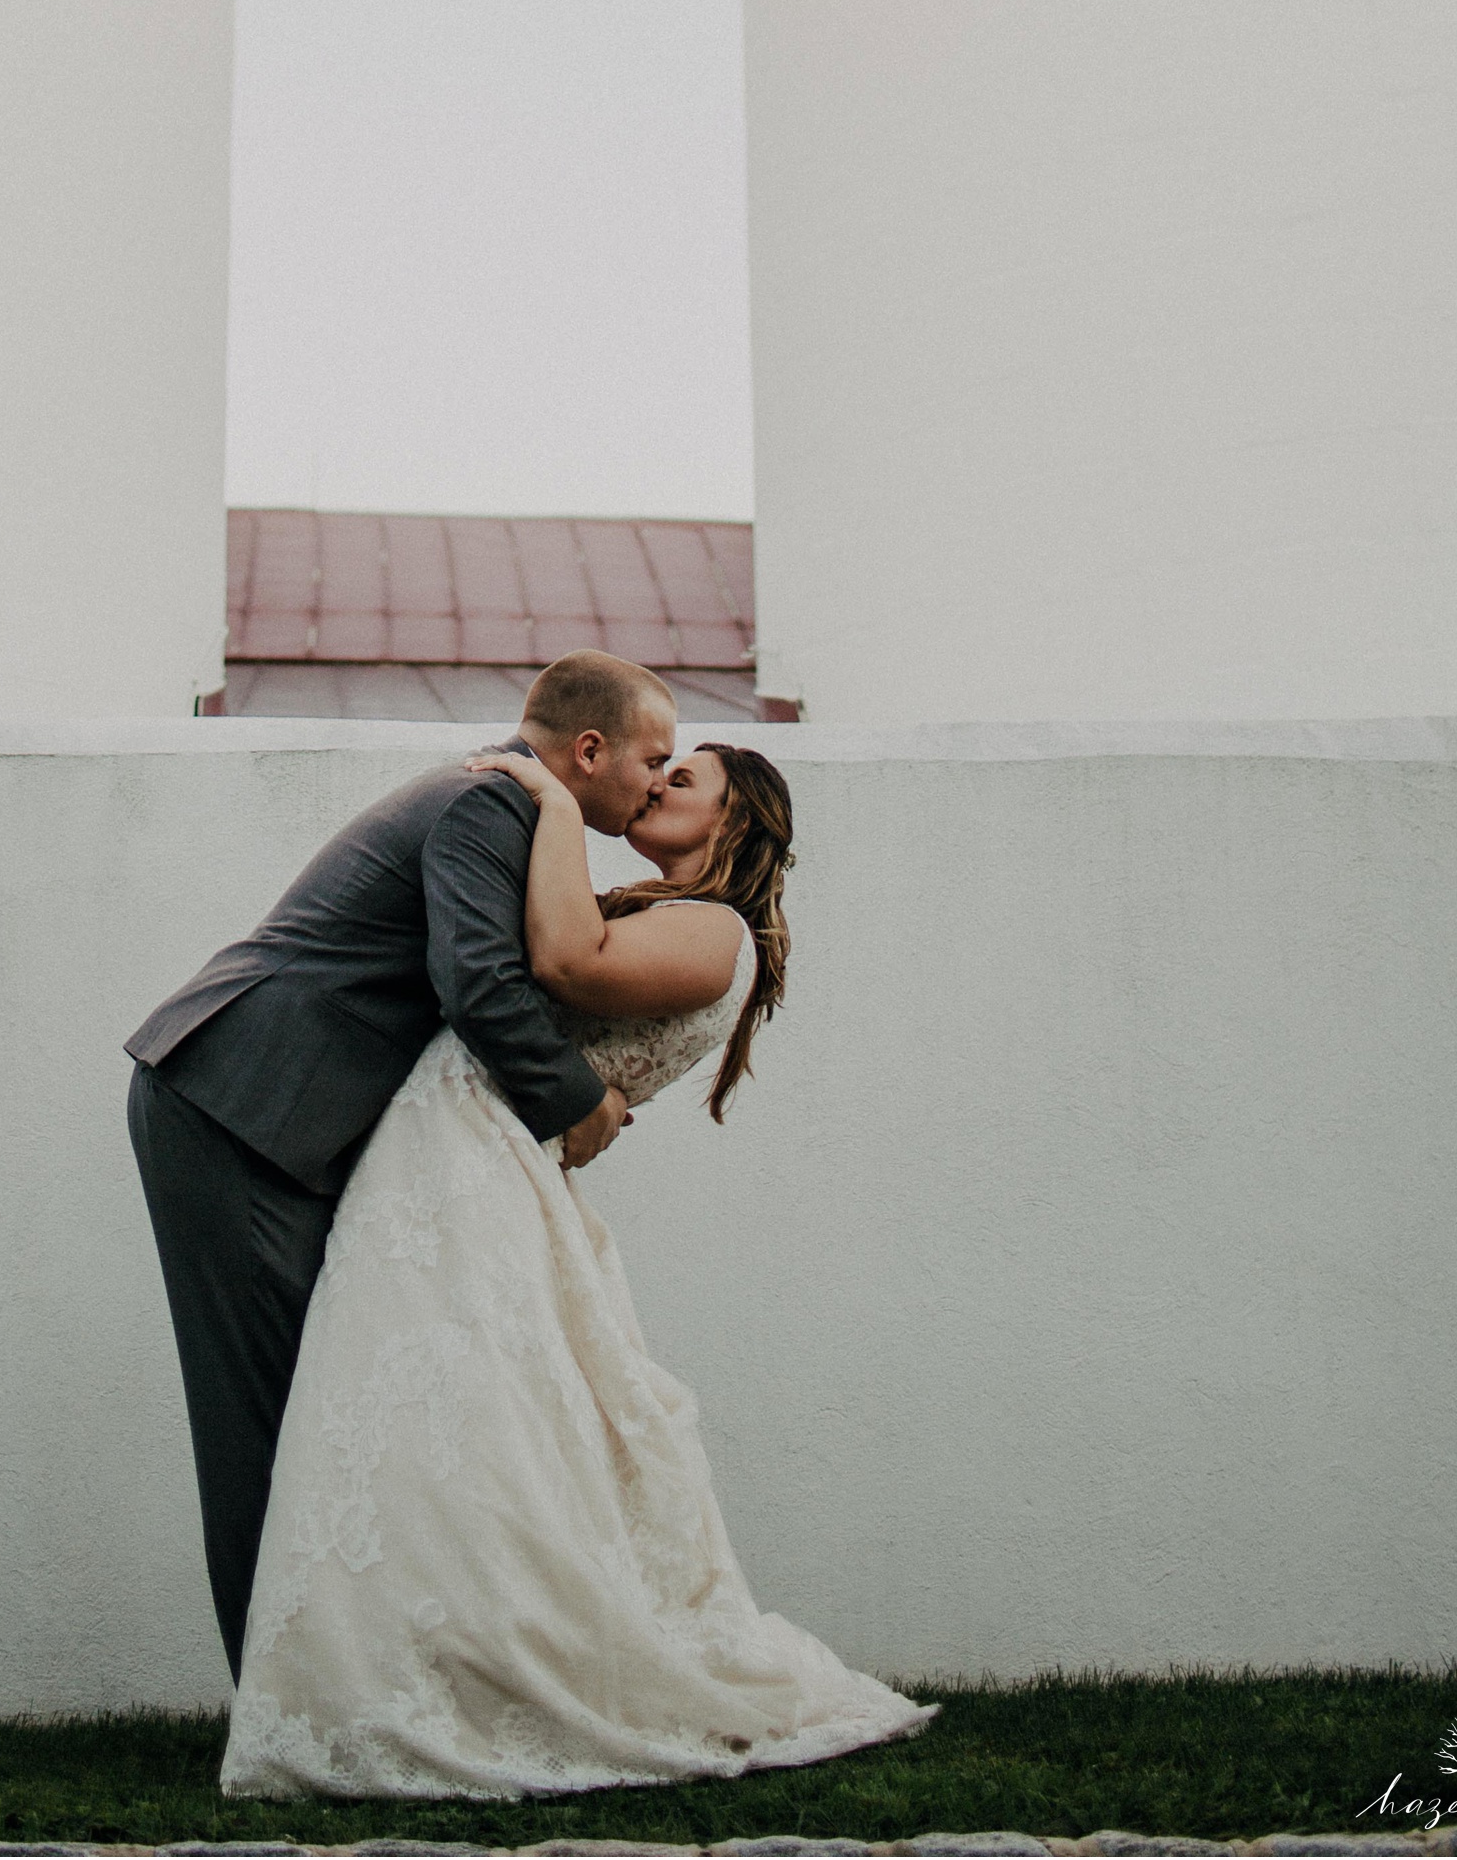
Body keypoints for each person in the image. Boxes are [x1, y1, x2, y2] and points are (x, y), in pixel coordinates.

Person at [220, 724, 936, 1801]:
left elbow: (560, 964)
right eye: (658, 765)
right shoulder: (665, 910)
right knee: (424, 1435)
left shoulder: (713, 934)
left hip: (479, 1165)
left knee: (463, 1429)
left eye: (681, 777)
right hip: (446, 1157)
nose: (657, 780)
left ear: (733, 817)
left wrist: (553, 802)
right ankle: (409, 1671)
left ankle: (489, 1678)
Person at [124, 648, 675, 1678]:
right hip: (237, 1103)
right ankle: (282, 1707)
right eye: (654, 758)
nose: (657, 781)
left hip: (270, 1110)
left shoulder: (518, 810)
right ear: (588, 749)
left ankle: (327, 1685)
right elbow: (477, 980)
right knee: (266, 1418)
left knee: (315, 1404)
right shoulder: (488, 807)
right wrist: (579, 1103)